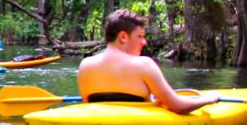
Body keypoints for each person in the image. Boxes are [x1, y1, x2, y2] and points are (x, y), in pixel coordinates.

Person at [77, 9, 217, 113]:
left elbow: (87, 106)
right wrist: (208, 99)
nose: (144, 42)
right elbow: (179, 106)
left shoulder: (85, 65)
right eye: (140, 36)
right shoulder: (144, 64)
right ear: (123, 37)